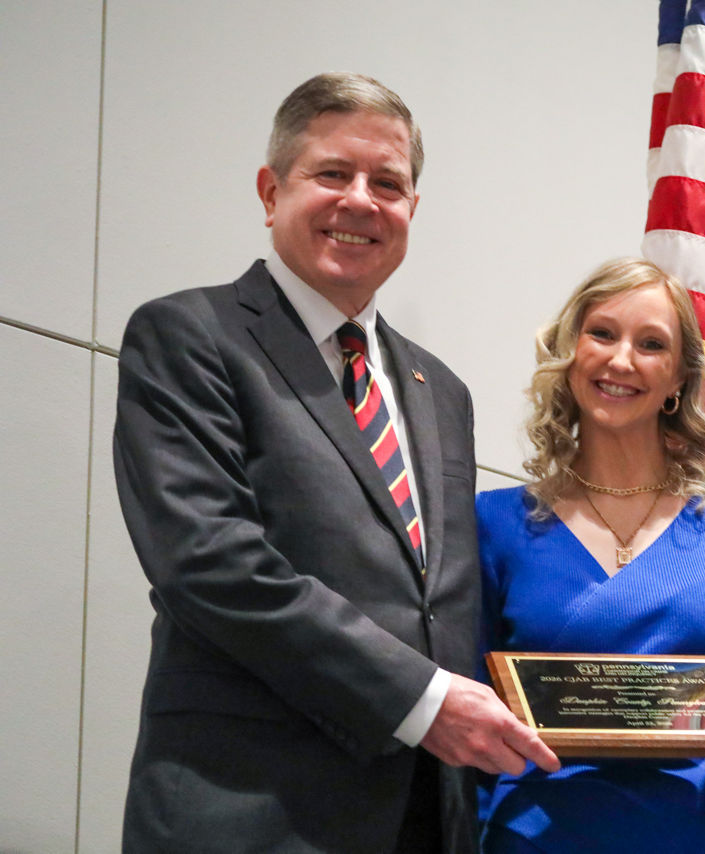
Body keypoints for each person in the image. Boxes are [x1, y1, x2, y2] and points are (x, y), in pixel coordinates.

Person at [113, 72, 557, 853]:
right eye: (332, 173)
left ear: (412, 209)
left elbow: (436, 604)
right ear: (271, 189)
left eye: (388, 182)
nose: (361, 200)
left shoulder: (439, 388)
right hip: (250, 810)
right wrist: (421, 701)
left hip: (423, 815)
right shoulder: (188, 336)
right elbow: (209, 563)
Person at [475, 258, 705, 853]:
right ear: (569, 354)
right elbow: (464, 715)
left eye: (651, 344)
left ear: (679, 379)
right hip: (528, 835)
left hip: (684, 835)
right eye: (602, 334)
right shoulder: (490, 523)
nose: (621, 360)